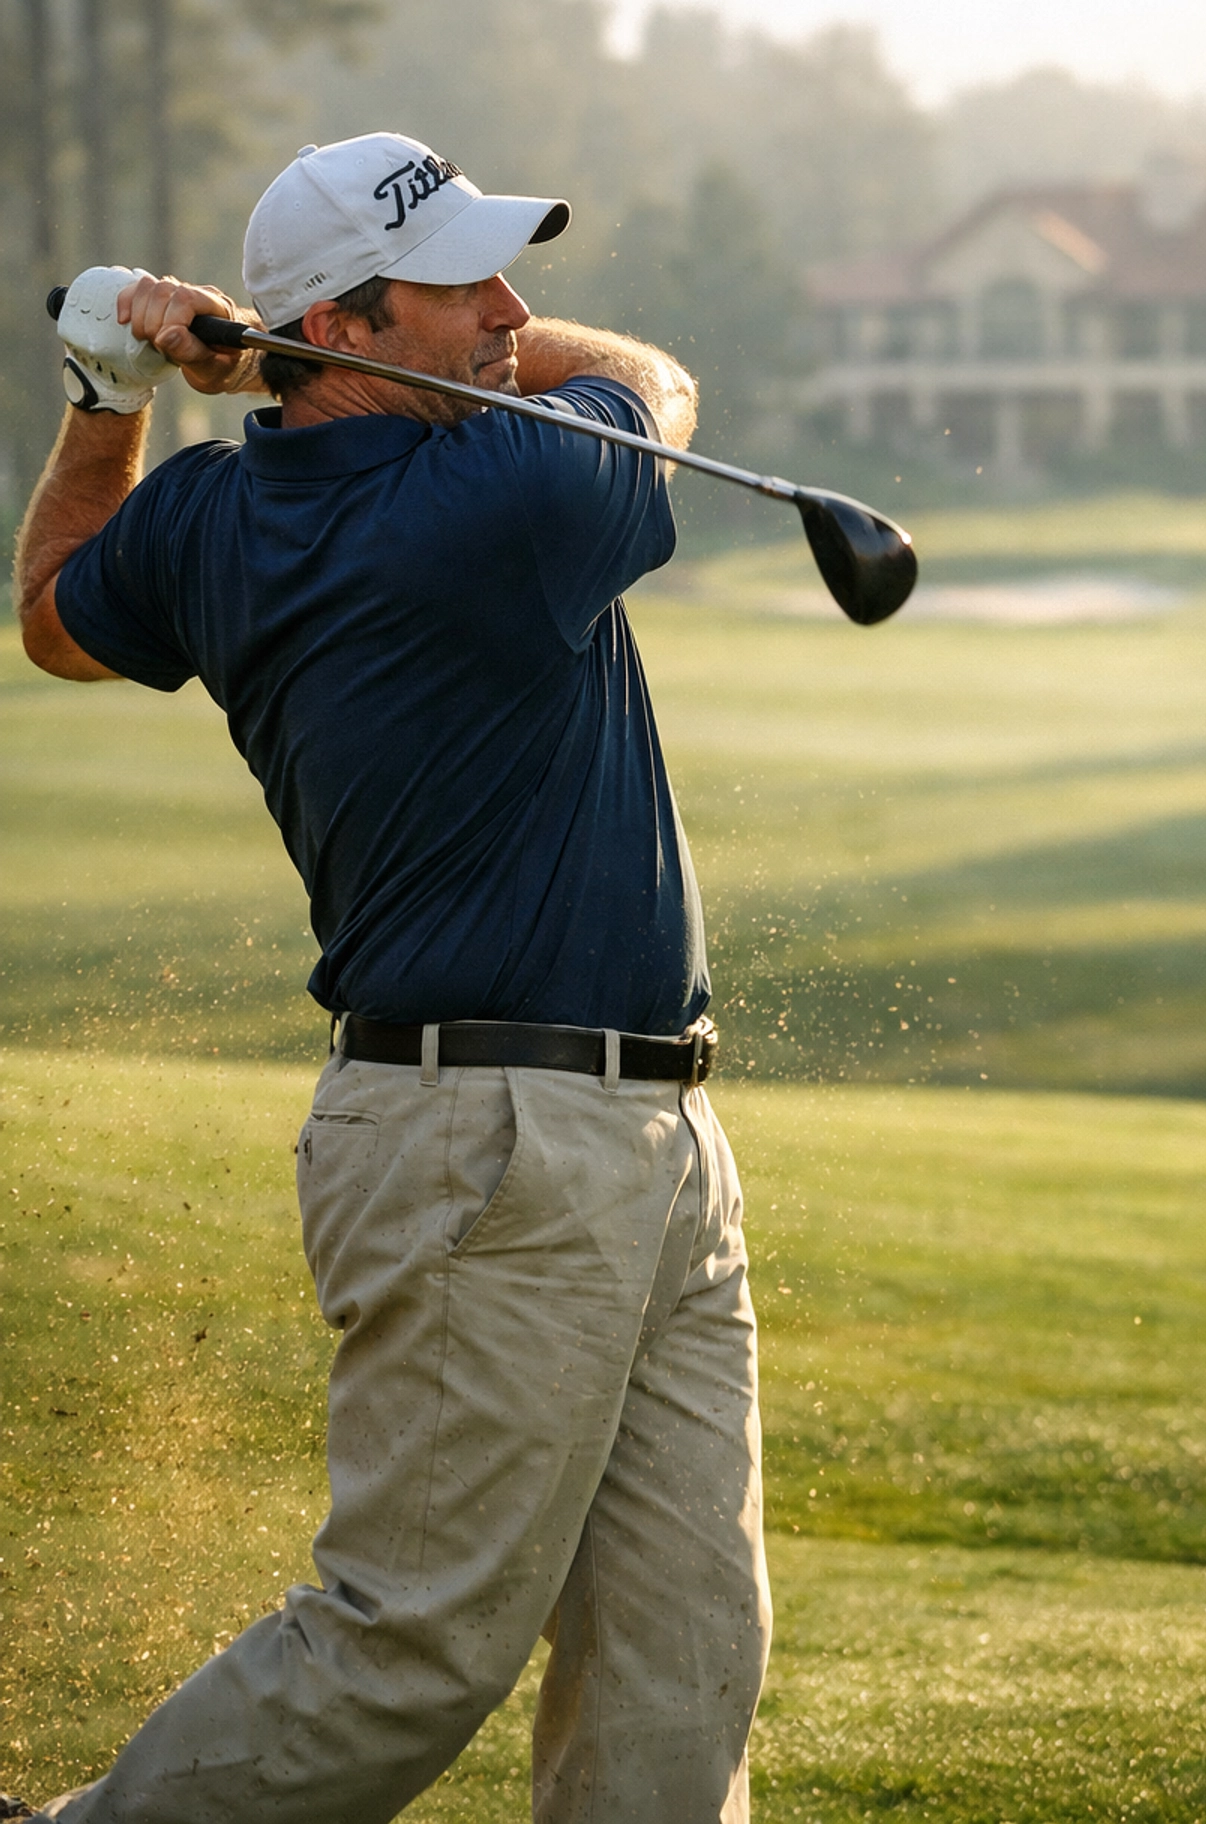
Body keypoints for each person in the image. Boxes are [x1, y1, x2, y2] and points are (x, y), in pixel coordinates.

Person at [8, 132, 771, 1824]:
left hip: (620, 1134)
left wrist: (110, 392)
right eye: (460, 289)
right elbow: (656, 380)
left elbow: (53, 614)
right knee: (408, 1648)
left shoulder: (210, 511)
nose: (509, 312)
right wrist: (258, 365)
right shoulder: (506, 495)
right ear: (346, 330)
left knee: (681, 1645)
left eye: (507, 278)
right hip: (496, 1144)